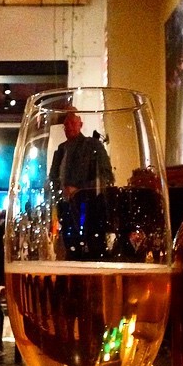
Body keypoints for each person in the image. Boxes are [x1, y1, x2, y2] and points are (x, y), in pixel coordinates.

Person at [48, 110, 114, 259]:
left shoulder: (93, 145)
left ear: (80, 125)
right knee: (70, 251)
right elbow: (53, 178)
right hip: (65, 209)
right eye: (66, 125)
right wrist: (58, 192)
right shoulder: (60, 150)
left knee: (93, 251)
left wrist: (79, 190)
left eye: (72, 123)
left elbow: (106, 177)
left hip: (90, 211)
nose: (69, 127)